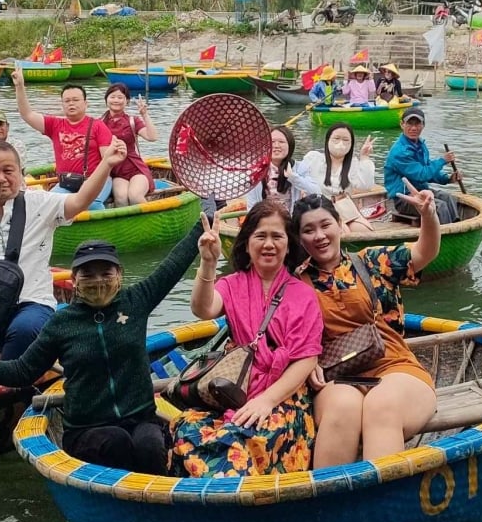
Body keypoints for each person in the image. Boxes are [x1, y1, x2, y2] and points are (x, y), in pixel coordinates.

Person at [0, 216, 208, 475]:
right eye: (88, 274)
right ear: (75, 281)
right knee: (116, 442)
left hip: (141, 419)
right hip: (86, 429)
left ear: (119, 274)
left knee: (150, 446)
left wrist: (202, 224)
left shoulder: (136, 301)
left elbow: (172, 266)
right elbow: (22, 371)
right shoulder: (62, 323)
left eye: (106, 273)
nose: (98, 281)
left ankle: (157, 502)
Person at [0, 137, 125, 367]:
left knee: (25, 330)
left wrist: (106, 163)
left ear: (20, 173)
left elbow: (80, 201)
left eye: (8, 171)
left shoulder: (42, 204)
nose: (1, 178)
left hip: (31, 303)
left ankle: (6, 384)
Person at [292, 186, 441, 466]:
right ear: (300, 239)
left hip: (395, 366)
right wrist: (305, 358)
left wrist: (429, 216)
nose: (320, 236)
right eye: (309, 230)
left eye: (326, 225)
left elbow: (425, 252)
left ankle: (383, 503)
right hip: (335, 376)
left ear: (339, 224)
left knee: (381, 405)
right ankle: (327, 504)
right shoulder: (295, 284)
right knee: (342, 408)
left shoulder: (372, 261)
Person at [173, 201, 323, 477]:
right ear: (246, 244)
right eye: (260, 236)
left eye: (277, 236)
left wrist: (266, 401)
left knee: (244, 439)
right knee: (186, 427)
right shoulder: (232, 284)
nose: (269, 244)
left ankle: (234, 498)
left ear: (289, 245)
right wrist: (208, 262)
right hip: (234, 391)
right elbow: (203, 309)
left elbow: (306, 358)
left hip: (283, 397)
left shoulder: (303, 295)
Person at [12, 69, 115, 209]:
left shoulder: (98, 126)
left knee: (92, 204)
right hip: (67, 182)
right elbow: (27, 114)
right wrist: (20, 86)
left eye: (75, 100)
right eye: (67, 101)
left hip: (96, 180)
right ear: (62, 104)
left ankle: (102, 229)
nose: (71, 104)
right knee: (48, 205)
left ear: (86, 103)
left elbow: (107, 160)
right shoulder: (54, 125)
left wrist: (93, 183)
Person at [382, 106, 459, 224]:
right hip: (403, 199)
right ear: (402, 124)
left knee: (449, 198)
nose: (413, 128)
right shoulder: (399, 152)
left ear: (423, 125)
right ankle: (443, 235)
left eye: (417, 124)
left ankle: (456, 229)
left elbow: (429, 171)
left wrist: (448, 178)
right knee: (439, 207)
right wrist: (442, 161)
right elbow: (422, 174)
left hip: (422, 191)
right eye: (409, 124)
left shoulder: (420, 145)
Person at [99, 83, 158, 207]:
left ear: (127, 101)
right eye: (113, 96)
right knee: (120, 198)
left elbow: (152, 137)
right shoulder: (99, 123)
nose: (116, 100)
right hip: (115, 171)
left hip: (135, 168)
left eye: (120, 97)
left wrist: (144, 114)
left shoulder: (132, 121)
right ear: (106, 99)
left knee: (135, 196)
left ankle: (148, 223)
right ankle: (126, 226)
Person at [243, 126, 319, 213]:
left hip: (291, 221)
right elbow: (252, 205)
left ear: (290, 145)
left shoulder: (300, 168)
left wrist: (293, 177)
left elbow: (316, 192)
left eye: (281, 142)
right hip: (265, 220)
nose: (276, 146)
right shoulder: (256, 171)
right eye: (272, 142)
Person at [300, 123, 377, 198]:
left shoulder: (353, 164)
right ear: (328, 140)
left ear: (351, 144)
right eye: (336, 138)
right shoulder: (313, 158)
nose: (341, 143)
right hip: (314, 208)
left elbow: (365, 187)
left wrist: (364, 157)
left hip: (342, 209)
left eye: (345, 140)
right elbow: (298, 180)